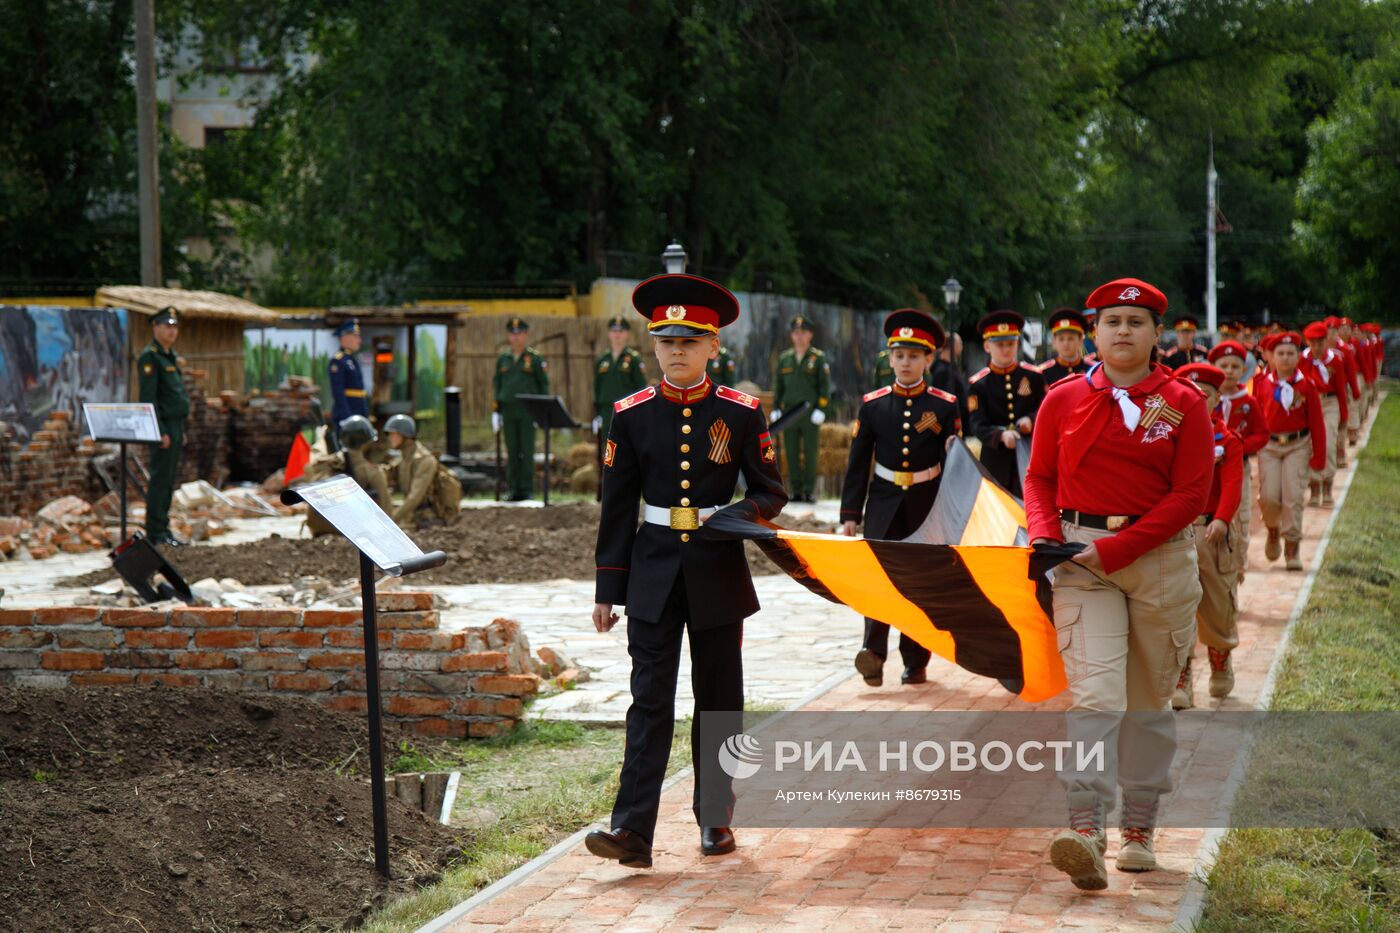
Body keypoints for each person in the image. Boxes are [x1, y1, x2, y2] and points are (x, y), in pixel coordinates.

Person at [586, 272, 787, 869]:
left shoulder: (743, 413)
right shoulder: (630, 415)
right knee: (648, 701)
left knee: (719, 700)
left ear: (713, 347)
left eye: (690, 341)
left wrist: (734, 515)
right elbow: (616, 507)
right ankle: (632, 832)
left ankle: (716, 820)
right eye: (668, 340)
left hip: (717, 571)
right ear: (654, 346)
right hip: (650, 573)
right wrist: (607, 589)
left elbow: (771, 492)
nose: (677, 350)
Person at [1023, 277, 1211, 889]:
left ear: (1159, 334)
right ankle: (1084, 829)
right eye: (1112, 321)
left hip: (1159, 562)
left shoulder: (1184, 402)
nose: (1123, 330)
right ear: (1093, 332)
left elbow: (1191, 495)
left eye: (1136, 320)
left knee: (1148, 706)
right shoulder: (1061, 399)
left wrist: (1117, 548)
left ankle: (1138, 828)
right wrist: (1046, 538)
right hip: (1081, 563)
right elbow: (1041, 478)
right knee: (1097, 699)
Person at [840, 310, 961, 688]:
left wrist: (954, 514)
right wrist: (849, 513)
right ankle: (873, 653)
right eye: (899, 355)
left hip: (927, 505)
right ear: (889, 358)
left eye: (914, 356)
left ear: (928, 359)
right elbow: (858, 463)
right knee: (880, 577)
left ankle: (916, 660)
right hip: (883, 502)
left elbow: (954, 464)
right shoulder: (874, 405)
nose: (906, 363)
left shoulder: (944, 405)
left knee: (920, 583)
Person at [1171, 363, 1244, 708]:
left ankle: (1220, 659)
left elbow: (1232, 484)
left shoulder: (1226, 440)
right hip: (1177, 531)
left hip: (1211, 530)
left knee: (1217, 603)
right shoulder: (1168, 435)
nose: (1199, 402)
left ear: (1217, 399)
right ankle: (1181, 676)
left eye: (1206, 396)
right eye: (1192, 396)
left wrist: (1223, 518)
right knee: (1176, 605)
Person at [1256, 332, 1326, 570]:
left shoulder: (1307, 385)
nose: (1285, 358)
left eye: (1290, 353)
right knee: (1268, 496)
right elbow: (1256, 417)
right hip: (1269, 446)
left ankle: (1292, 545)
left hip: (1298, 445)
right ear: (1272, 358)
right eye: (1280, 354)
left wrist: (1319, 456)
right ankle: (1273, 529)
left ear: (1298, 356)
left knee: (1293, 496)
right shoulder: (1262, 383)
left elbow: (1316, 422)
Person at [1207, 341, 1268, 580]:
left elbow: (1262, 434)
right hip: (1208, 471)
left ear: (1243, 369)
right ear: (1213, 367)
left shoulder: (1248, 401)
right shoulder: (1207, 401)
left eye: (1235, 366)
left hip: (1238, 467)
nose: (1229, 371)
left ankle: (1238, 564)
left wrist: (1240, 447)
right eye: (1224, 366)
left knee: (1241, 518)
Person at [967, 310, 1045, 497]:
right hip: (995, 459)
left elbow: (1044, 409)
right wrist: (1000, 435)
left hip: (1029, 454)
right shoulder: (979, 384)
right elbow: (977, 425)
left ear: (1017, 344)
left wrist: (1031, 420)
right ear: (987, 346)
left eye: (1010, 344)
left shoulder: (1033, 376)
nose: (1005, 349)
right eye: (999, 344)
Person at [138, 307, 191, 547]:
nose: (172, 331)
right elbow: (150, 398)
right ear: (155, 327)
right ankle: (155, 531)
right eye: (167, 326)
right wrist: (159, 431)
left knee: (169, 480)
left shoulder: (169, 356)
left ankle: (164, 529)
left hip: (176, 425)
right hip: (164, 427)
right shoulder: (150, 358)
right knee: (160, 479)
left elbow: (176, 395)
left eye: (175, 326)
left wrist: (182, 429)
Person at [770, 315, 830, 502]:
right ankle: (796, 491)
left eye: (803, 332)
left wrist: (822, 408)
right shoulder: (785, 358)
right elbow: (778, 385)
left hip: (809, 413)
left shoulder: (818, 358)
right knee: (791, 451)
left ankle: (809, 490)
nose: (799, 336)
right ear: (791, 336)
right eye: (796, 332)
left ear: (810, 335)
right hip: (789, 413)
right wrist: (775, 407)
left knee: (810, 452)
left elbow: (824, 386)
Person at [302, 415, 391, 537]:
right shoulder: (373, 473)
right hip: (357, 534)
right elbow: (387, 517)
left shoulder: (324, 466)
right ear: (366, 443)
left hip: (320, 532)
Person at [492, 317, 549, 501]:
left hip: (527, 411)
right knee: (512, 450)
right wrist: (496, 410)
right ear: (509, 336)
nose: (516, 337)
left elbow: (543, 385)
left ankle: (526, 489)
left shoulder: (534, 358)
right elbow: (497, 385)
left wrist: (539, 411)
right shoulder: (503, 359)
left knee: (527, 450)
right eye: (512, 333)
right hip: (508, 410)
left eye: (519, 333)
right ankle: (513, 489)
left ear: (525, 335)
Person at [382, 414, 462, 527]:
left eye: (393, 434)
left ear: (405, 435)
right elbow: (384, 476)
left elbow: (415, 497)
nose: (390, 438)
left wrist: (391, 520)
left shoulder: (425, 461)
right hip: (413, 516)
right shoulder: (404, 458)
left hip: (429, 518)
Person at [1301, 322, 1349, 507]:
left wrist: (1344, 415)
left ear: (1326, 341)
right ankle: (1314, 486)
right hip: (1310, 404)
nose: (1316, 347)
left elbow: (1341, 389)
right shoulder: (1302, 360)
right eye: (1312, 343)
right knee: (1311, 445)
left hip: (1330, 403)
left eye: (1320, 343)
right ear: (1307, 342)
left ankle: (1327, 485)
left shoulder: (1335, 360)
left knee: (1328, 443)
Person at [593, 316, 648, 440]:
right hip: (606, 411)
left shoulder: (634, 359)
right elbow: (597, 387)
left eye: (621, 331)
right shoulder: (602, 360)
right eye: (614, 331)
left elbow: (641, 386)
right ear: (609, 334)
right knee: (607, 445)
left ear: (627, 334)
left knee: (627, 443)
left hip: (628, 409)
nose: (617, 335)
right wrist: (597, 412)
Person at [327, 318, 369, 426]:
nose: (359, 340)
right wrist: (348, 418)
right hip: (347, 417)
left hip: (358, 415)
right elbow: (338, 393)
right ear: (344, 337)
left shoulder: (352, 360)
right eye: (356, 336)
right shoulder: (338, 361)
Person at [1038, 308, 1091, 386]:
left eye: (1070, 339)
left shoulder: (1092, 369)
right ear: (1054, 341)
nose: (1066, 343)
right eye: (1061, 339)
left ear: (1080, 340)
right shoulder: (1042, 372)